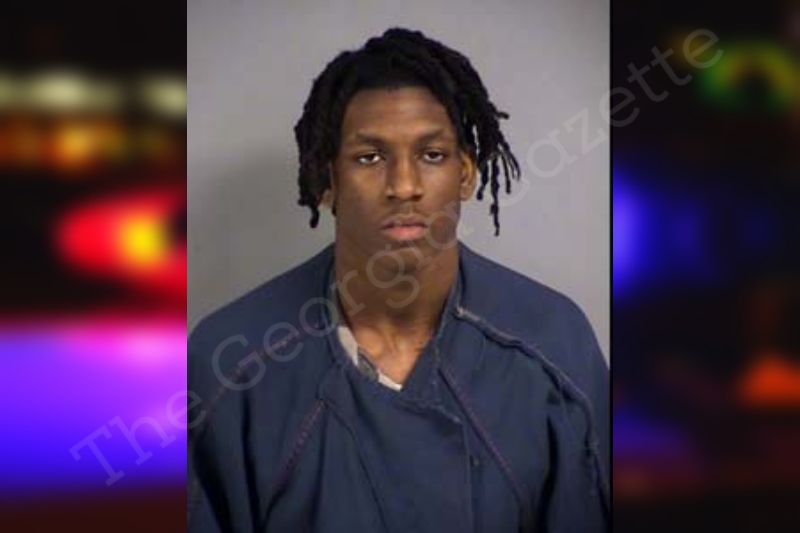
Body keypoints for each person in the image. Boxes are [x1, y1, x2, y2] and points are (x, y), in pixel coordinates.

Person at [188, 27, 609, 532]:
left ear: (466, 173)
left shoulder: (555, 344)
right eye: (369, 158)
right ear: (327, 180)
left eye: (432, 155)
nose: (404, 186)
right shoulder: (230, 364)